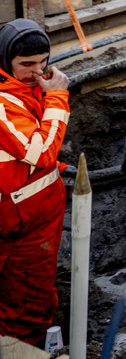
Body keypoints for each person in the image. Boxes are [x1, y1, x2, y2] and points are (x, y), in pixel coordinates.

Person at [0, 18, 71, 345]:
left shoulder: (22, 88)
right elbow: (40, 153)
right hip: (22, 222)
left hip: (34, 214)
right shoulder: (4, 103)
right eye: (26, 64)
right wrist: (57, 98)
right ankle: (21, 348)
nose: (38, 71)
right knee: (28, 302)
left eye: (43, 62)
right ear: (4, 61)